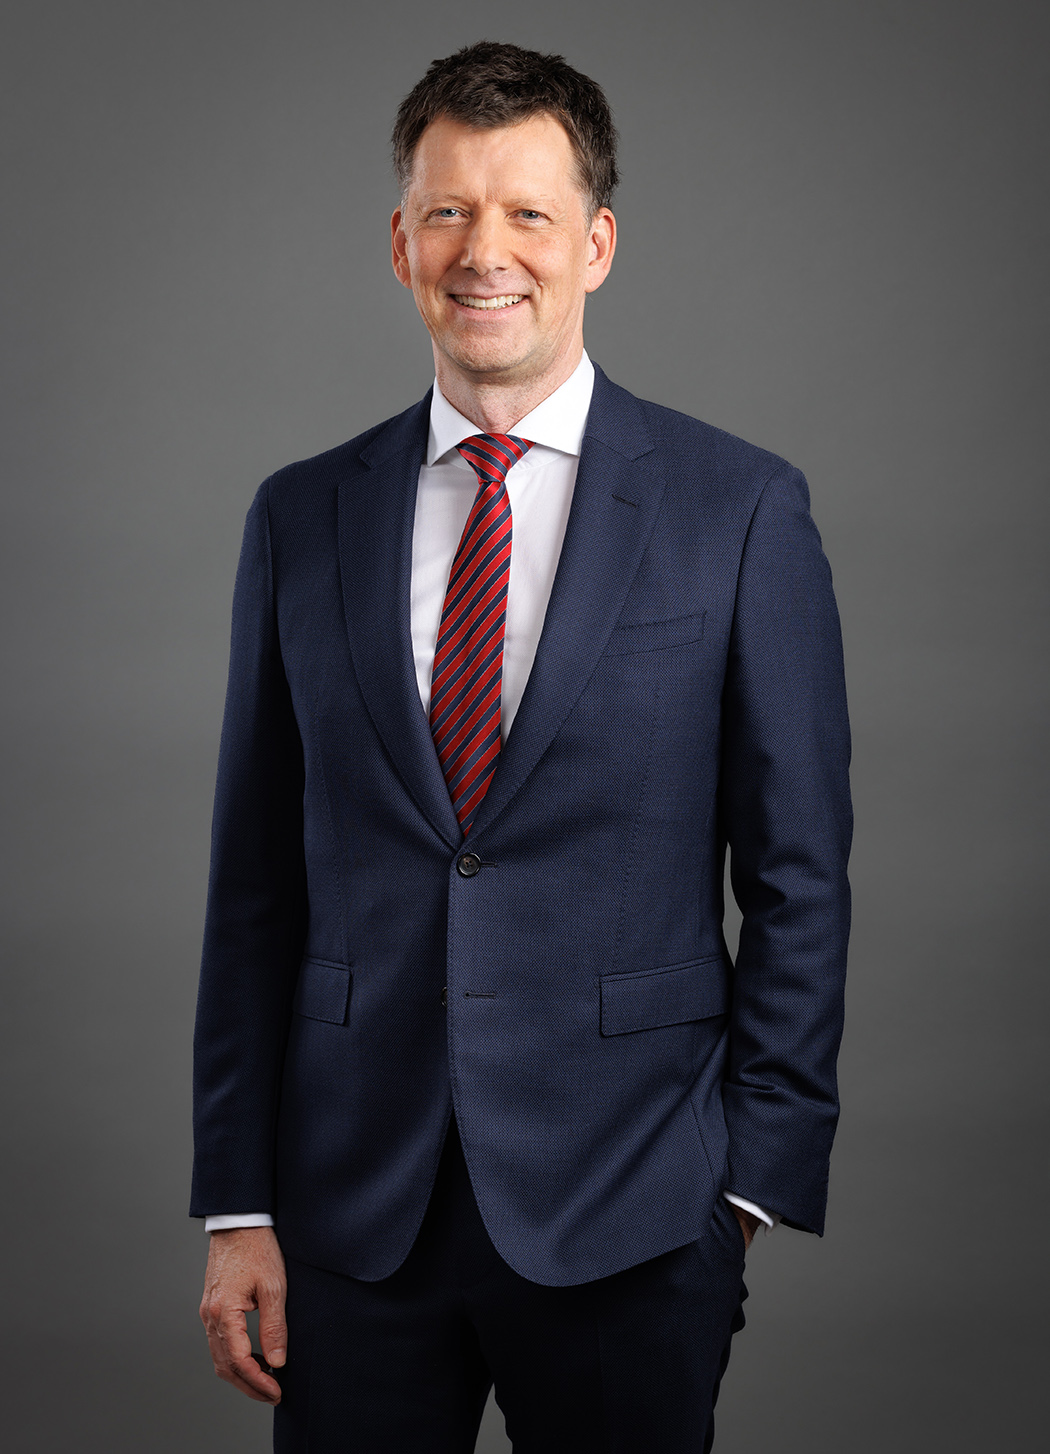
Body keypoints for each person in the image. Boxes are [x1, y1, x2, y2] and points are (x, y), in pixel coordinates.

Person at [192, 40, 851, 1453]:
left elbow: (799, 873)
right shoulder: (300, 517)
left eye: (527, 213)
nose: (483, 252)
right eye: (447, 211)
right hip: (351, 1217)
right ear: (400, 245)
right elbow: (253, 882)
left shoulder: (739, 511)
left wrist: (748, 1185)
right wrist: (237, 1203)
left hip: (635, 1206)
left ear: (595, 244)